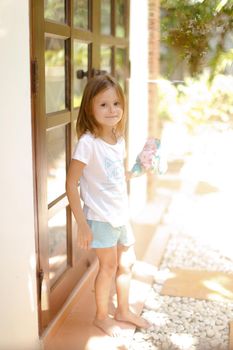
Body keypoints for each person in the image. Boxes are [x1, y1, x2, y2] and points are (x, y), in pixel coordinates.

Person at [66, 74, 150, 337]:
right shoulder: (87, 144)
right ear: (90, 108)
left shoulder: (118, 138)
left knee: (128, 263)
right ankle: (102, 316)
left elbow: (113, 174)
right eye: (103, 104)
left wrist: (135, 171)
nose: (112, 110)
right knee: (109, 266)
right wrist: (82, 223)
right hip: (101, 217)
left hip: (120, 215)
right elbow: (71, 184)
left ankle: (123, 309)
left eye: (116, 103)